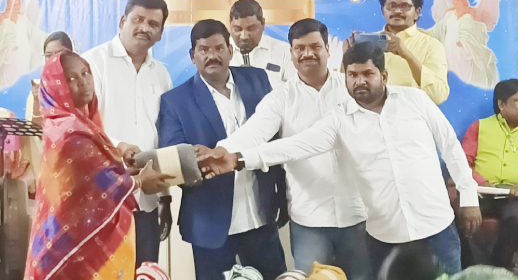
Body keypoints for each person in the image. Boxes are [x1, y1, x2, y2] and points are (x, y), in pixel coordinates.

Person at [199, 42, 481, 276]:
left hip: (436, 227)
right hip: (386, 237)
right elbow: (294, 146)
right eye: (352, 75)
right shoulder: (340, 120)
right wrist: (237, 159)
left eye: (367, 74)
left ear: (383, 76)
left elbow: (450, 147)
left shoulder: (415, 101)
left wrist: (469, 198)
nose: (360, 81)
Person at [216, 19, 371, 279]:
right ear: (291, 53)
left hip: (359, 216)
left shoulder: (351, 90)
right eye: (300, 48)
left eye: (315, 46)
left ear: (327, 49)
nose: (307, 53)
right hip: (309, 222)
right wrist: (223, 151)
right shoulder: (281, 97)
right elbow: (254, 132)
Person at [157, 19, 287, 280]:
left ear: (230, 50)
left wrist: (282, 194)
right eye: (203, 50)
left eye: (218, 48)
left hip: (260, 215)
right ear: (192, 55)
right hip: (211, 222)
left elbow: (275, 136)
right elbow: (173, 159)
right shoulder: (175, 101)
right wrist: (196, 162)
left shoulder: (258, 79)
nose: (212, 56)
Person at [24, 51, 172, 280]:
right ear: (55, 87)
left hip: (70, 237)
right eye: (71, 78)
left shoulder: (72, 124)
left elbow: (90, 176)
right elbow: (97, 186)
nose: (83, 82)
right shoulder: (69, 131)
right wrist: (139, 181)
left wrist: (125, 170)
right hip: (72, 246)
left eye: (85, 73)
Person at [82, 0, 173, 267]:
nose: (145, 28)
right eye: (138, 19)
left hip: (147, 201)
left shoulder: (161, 74)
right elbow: (80, 126)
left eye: (153, 24)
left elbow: (163, 135)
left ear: (160, 33)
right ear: (123, 21)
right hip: (102, 199)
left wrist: (165, 198)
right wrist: (119, 146)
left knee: (144, 270)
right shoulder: (91, 64)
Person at [461, 79, 518, 268]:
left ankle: (498, 268)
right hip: (482, 192)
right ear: (502, 104)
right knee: (463, 215)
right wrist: (480, 182)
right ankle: (479, 270)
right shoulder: (479, 127)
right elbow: (462, 163)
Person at [365, 0, 449, 105]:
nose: (397, 11)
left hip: (410, 116)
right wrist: (346, 57)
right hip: (369, 116)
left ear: (417, 12)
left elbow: (438, 95)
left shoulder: (431, 45)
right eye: (391, 6)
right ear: (383, 10)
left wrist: (407, 55)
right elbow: (345, 91)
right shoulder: (366, 43)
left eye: (405, 6)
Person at [229, 0, 295, 88]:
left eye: (251, 29)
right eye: (237, 29)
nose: (244, 36)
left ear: (263, 24)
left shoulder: (284, 51)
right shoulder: (218, 54)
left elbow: (297, 89)